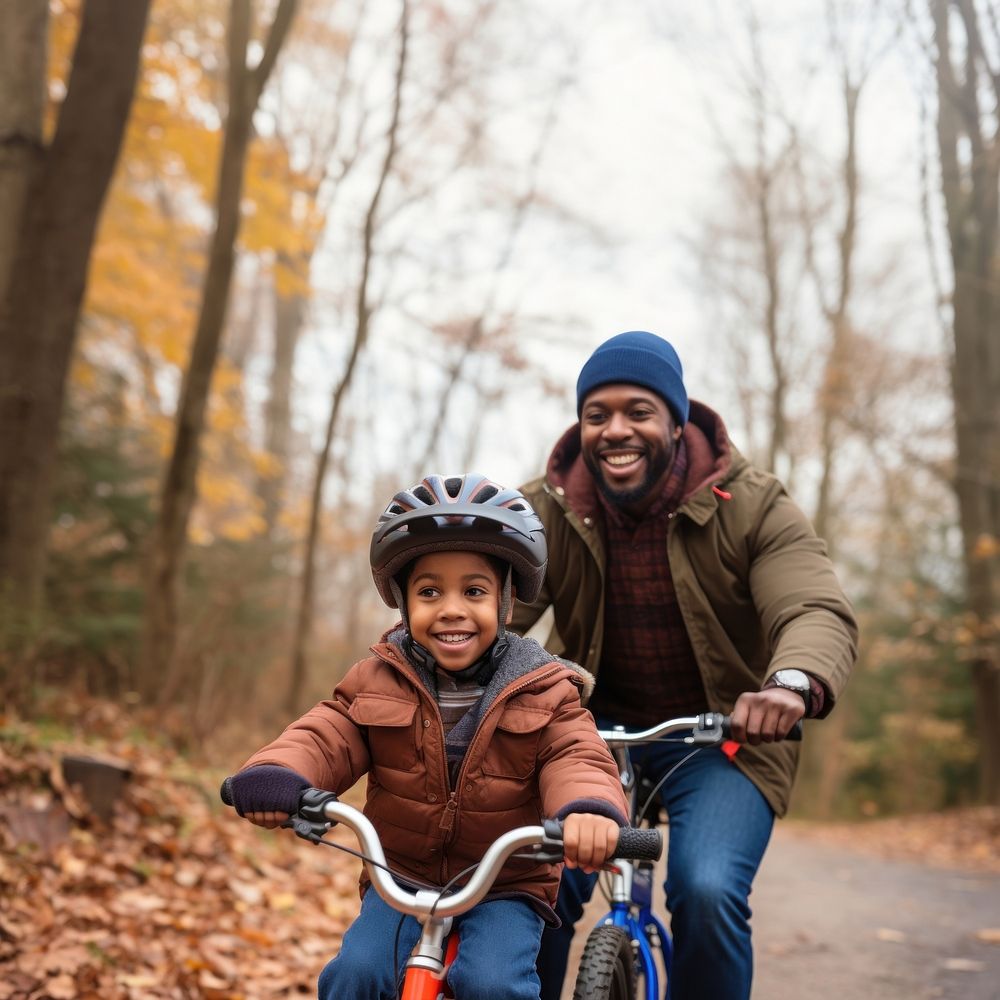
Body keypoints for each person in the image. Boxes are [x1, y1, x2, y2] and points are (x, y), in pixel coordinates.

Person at [510, 331, 859, 1000]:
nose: (616, 429)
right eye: (597, 414)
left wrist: (789, 683)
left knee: (705, 889)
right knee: (534, 881)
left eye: (638, 411)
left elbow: (813, 606)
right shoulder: (545, 509)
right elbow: (486, 614)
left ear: (674, 419)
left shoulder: (752, 503)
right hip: (586, 738)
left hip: (725, 736)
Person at [224, 473, 629, 1000]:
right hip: (400, 878)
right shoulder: (377, 679)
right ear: (403, 602)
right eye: (430, 591)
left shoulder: (546, 689)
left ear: (507, 604)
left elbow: (575, 754)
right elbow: (327, 733)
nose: (452, 608)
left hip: (504, 886)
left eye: (475, 591)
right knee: (355, 976)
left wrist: (587, 809)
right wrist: (279, 773)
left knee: (494, 984)